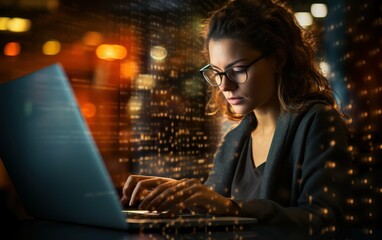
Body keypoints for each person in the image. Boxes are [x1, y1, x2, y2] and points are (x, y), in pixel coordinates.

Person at [121, 0, 351, 237]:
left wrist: (230, 207)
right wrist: (176, 193)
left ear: (279, 58)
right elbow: (212, 213)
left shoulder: (318, 122)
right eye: (217, 73)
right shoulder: (234, 140)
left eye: (238, 69)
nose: (225, 86)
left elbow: (326, 223)